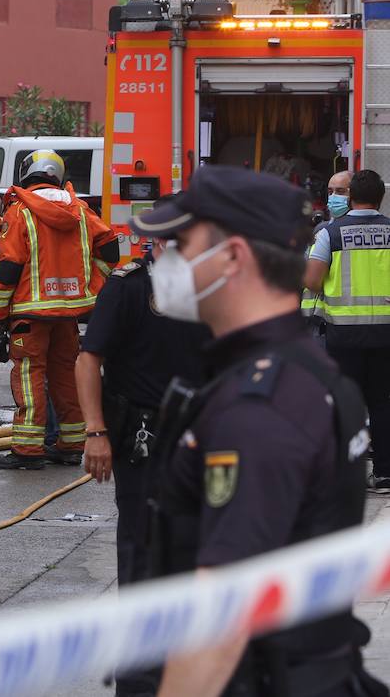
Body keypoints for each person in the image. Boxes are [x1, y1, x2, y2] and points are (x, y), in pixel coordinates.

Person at [131, 166, 383, 697]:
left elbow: (218, 624)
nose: (162, 258)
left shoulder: (260, 408)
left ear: (233, 257)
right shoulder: (301, 371)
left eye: (179, 244)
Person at [77, 195, 211, 697]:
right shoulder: (129, 288)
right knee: (143, 557)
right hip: (145, 440)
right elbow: (89, 360)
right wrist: (96, 432)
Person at [0, 150, 118, 470]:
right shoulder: (81, 210)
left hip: (30, 314)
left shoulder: (20, 213)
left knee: (30, 378)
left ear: (26, 174)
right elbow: (111, 249)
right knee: (65, 377)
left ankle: (28, 451)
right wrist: (92, 284)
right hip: (68, 313)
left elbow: (9, 269)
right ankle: (72, 445)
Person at [303, 168, 390, 493]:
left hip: (344, 335)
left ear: (350, 195)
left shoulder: (331, 233)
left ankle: (345, 475)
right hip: (385, 334)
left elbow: (312, 280)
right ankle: (384, 474)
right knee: (382, 403)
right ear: (381, 197)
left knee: (344, 404)